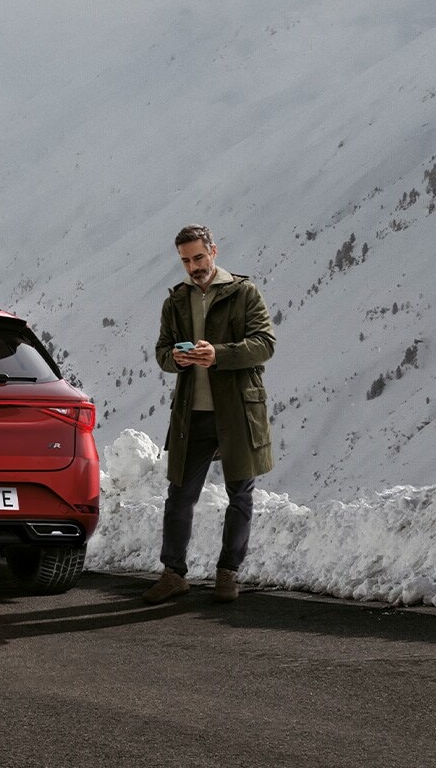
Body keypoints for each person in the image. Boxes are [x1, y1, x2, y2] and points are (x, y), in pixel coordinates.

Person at [143, 224, 276, 604]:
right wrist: (177, 359)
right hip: (193, 414)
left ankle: (228, 573)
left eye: (199, 257)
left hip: (238, 413)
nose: (193, 266)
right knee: (179, 497)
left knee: (240, 496)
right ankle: (173, 574)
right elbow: (162, 352)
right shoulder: (176, 301)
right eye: (186, 260)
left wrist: (219, 354)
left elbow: (264, 344)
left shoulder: (244, 292)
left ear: (213, 251)